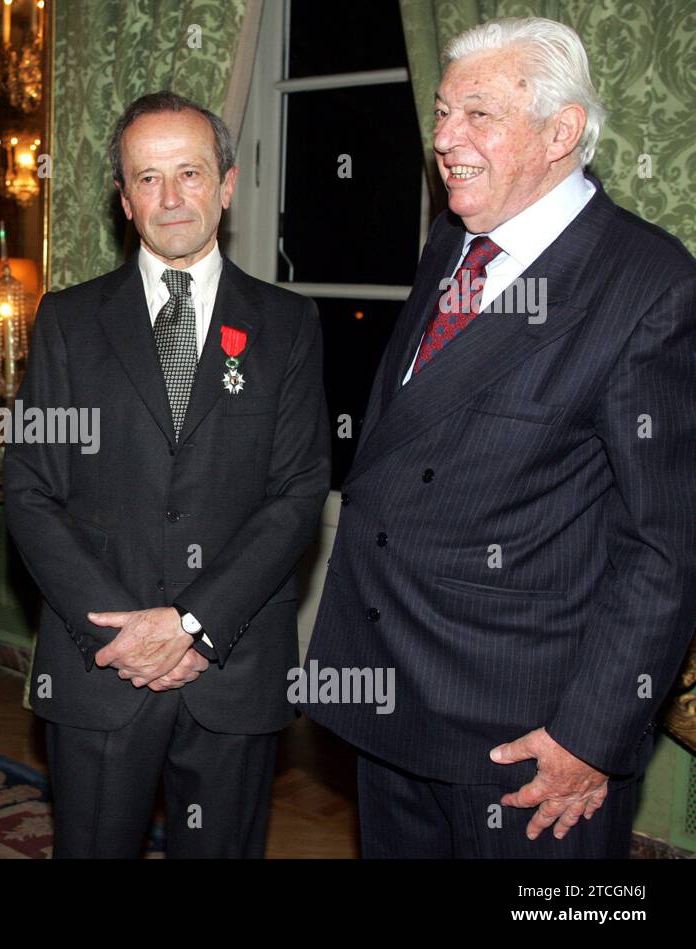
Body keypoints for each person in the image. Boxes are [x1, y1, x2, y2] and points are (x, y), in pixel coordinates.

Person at [303, 16, 696, 858]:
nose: (444, 139)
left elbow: (666, 544)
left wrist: (590, 737)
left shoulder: (648, 287)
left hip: (528, 739)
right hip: (392, 692)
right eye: (442, 113)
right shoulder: (452, 243)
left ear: (563, 133)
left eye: (477, 114)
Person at [3, 92, 330, 858]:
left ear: (225, 183)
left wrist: (189, 625)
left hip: (233, 664)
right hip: (100, 666)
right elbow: (30, 491)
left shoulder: (288, 325)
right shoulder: (68, 321)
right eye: (148, 179)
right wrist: (125, 634)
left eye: (189, 172)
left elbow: (297, 494)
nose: (171, 197)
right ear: (123, 200)